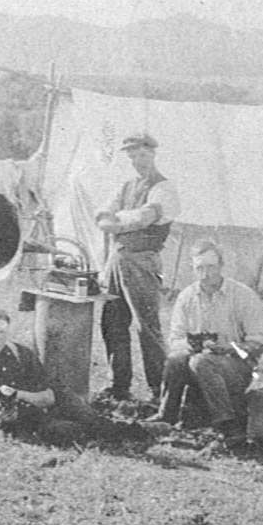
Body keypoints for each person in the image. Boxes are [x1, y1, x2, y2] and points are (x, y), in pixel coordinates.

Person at [0, 310, 144, 444]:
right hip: (26, 418)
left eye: (2, 332)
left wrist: (18, 395)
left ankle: (142, 431)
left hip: (51, 400)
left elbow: (49, 396)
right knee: (64, 431)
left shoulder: (21, 353)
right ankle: (113, 433)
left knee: (90, 419)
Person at [149, 240, 263, 442]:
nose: (205, 273)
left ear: (222, 267)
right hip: (197, 362)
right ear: (193, 269)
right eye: (199, 268)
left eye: (211, 267)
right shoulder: (186, 297)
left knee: (201, 362)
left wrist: (229, 347)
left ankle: (227, 423)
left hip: (237, 367)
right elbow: (175, 338)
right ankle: (166, 415)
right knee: (176, 360)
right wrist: (188, 346)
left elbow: (258, 344)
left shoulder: (242, 295)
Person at [93, 133, 180, 404]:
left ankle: (159, 390)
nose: (137, 162)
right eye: (132, 157)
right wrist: (117, 221)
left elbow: (146, 218)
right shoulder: (127, 185)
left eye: (142, 156)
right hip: (117, 259)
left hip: (143, 260)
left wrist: (117, 222)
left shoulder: (164, 188)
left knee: (147, 326)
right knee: (113, 321)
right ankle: (118, 386)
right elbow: (102, 214)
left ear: (153, 155)